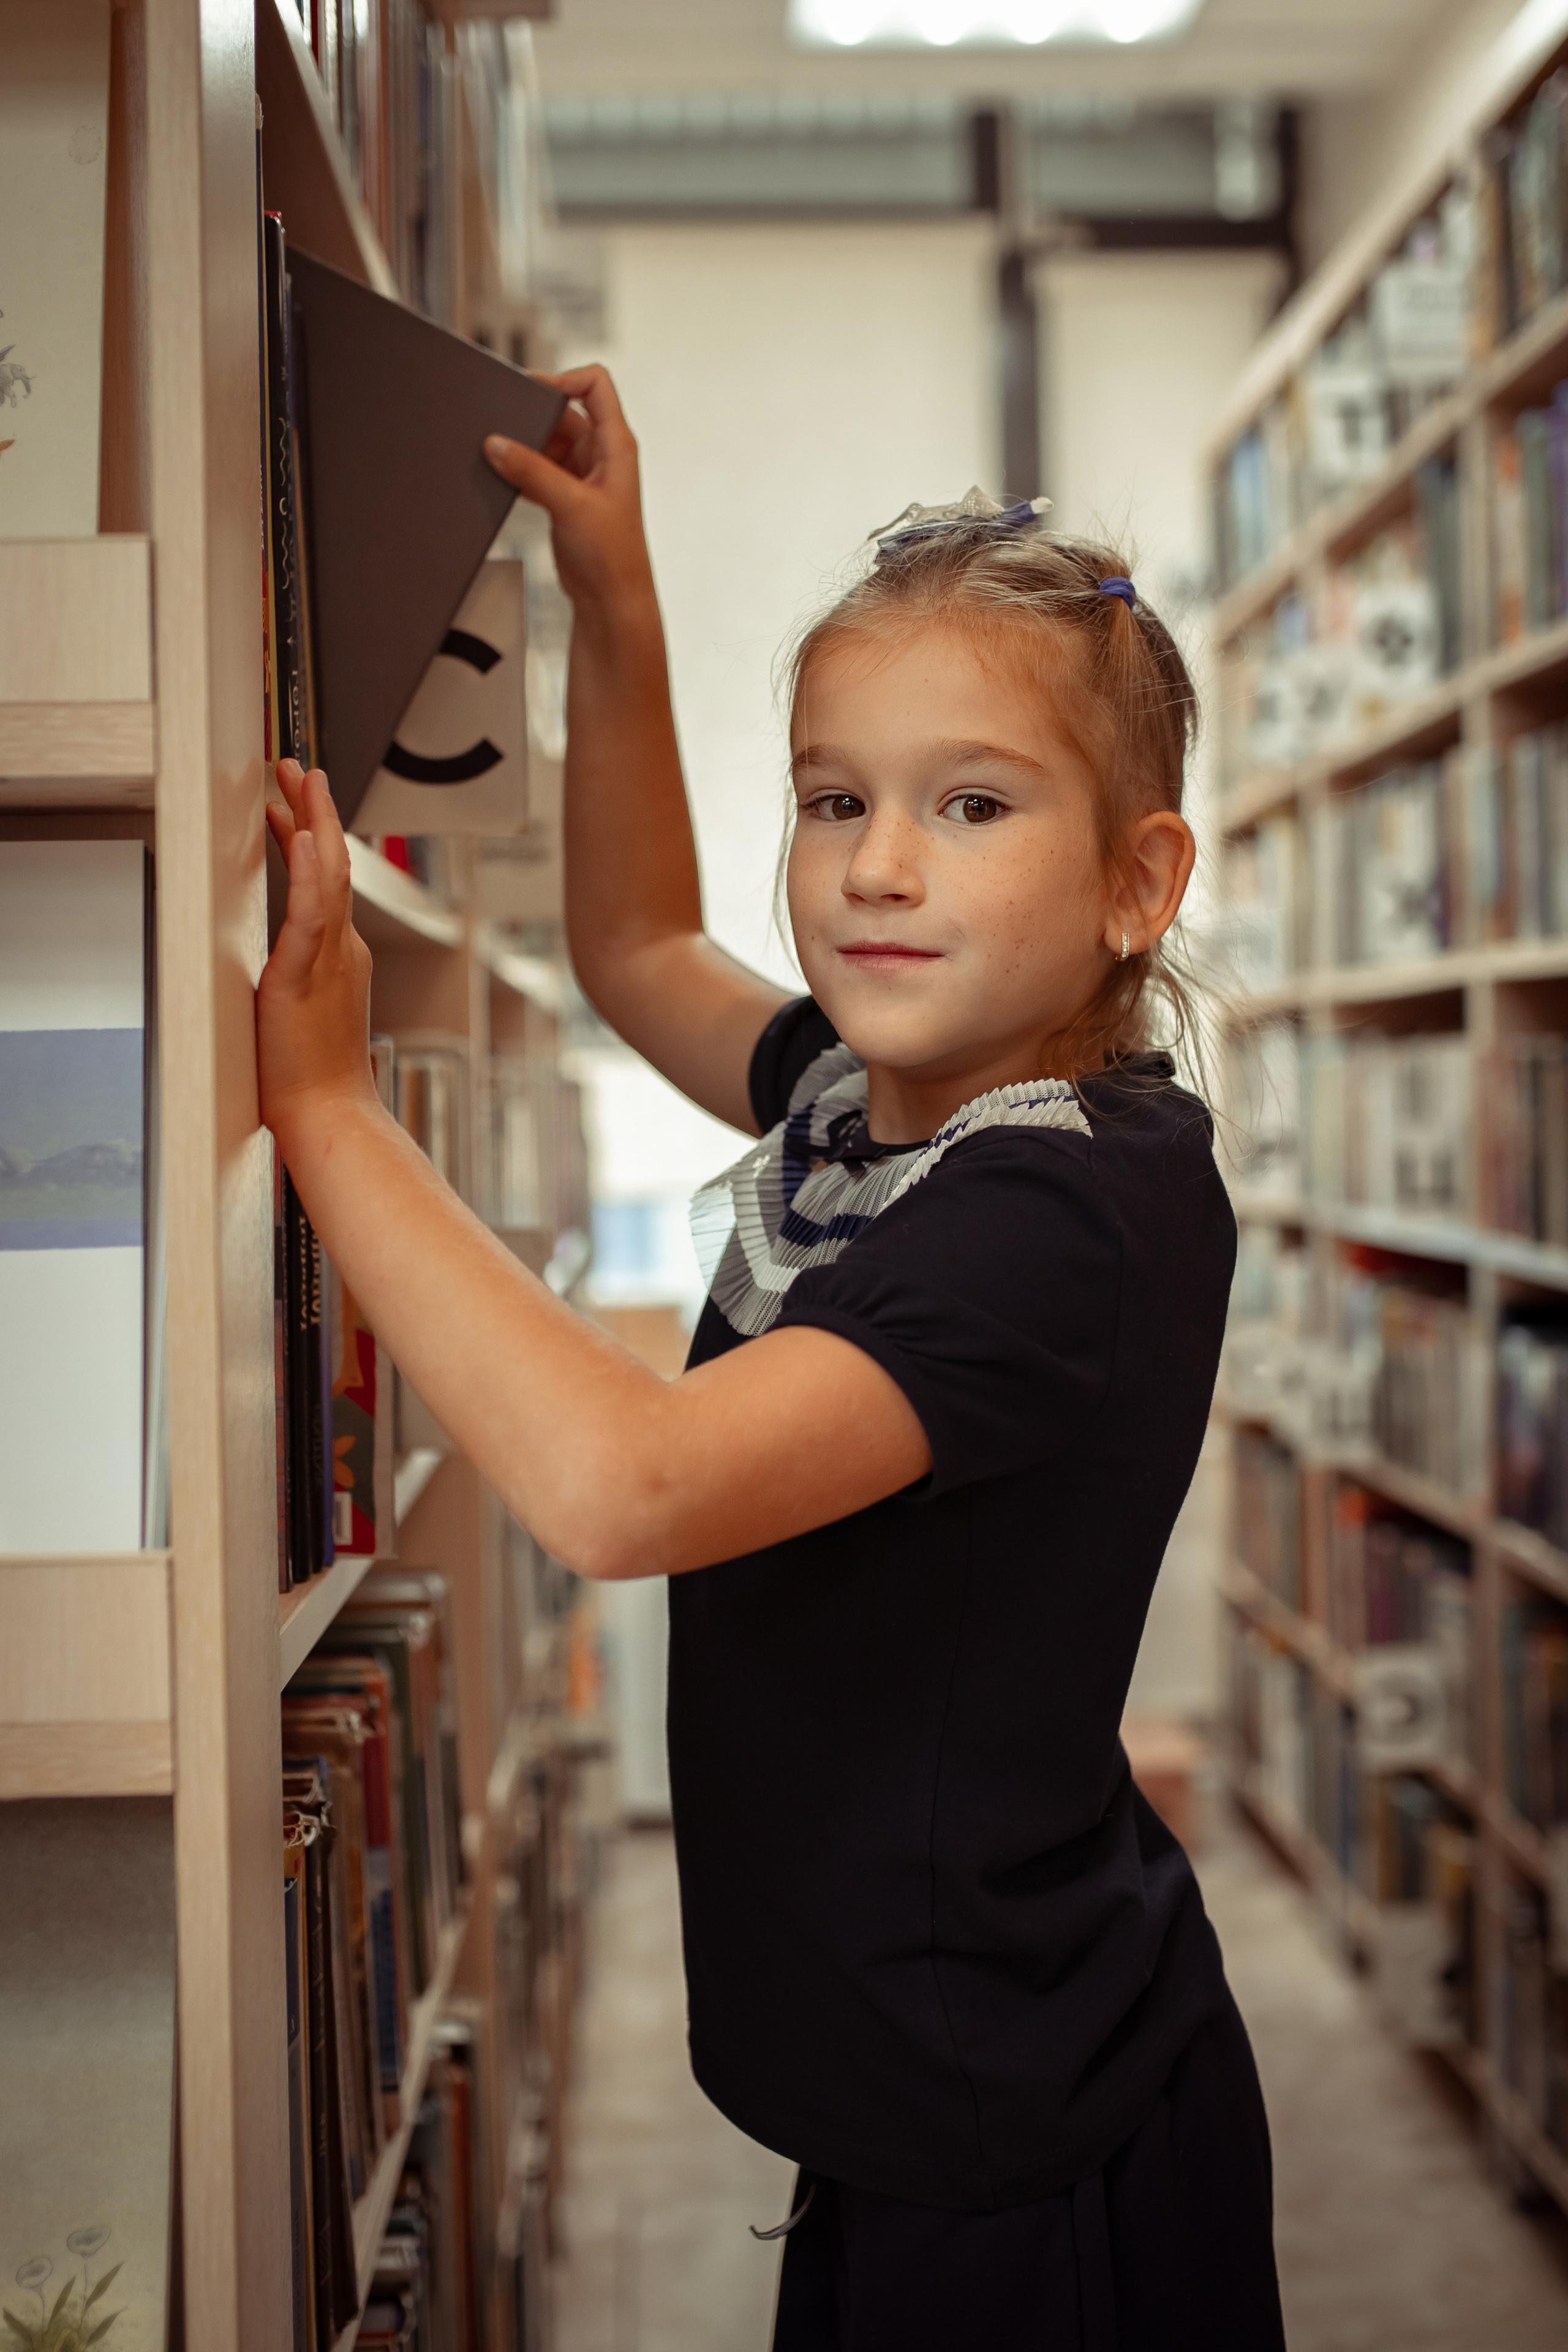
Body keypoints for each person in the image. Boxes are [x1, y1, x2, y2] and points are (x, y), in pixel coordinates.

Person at [258, 368, 1284, 2351]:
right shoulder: (873, 1096)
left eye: (971, 805)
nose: (879, 864)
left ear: (1137, 884)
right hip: (917, 2091)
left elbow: (625, 1486)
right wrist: (613, 595)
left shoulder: (1065, 1208)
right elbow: (640, 947)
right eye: (835, 800)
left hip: (1027, 2148)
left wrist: (328, 1112)